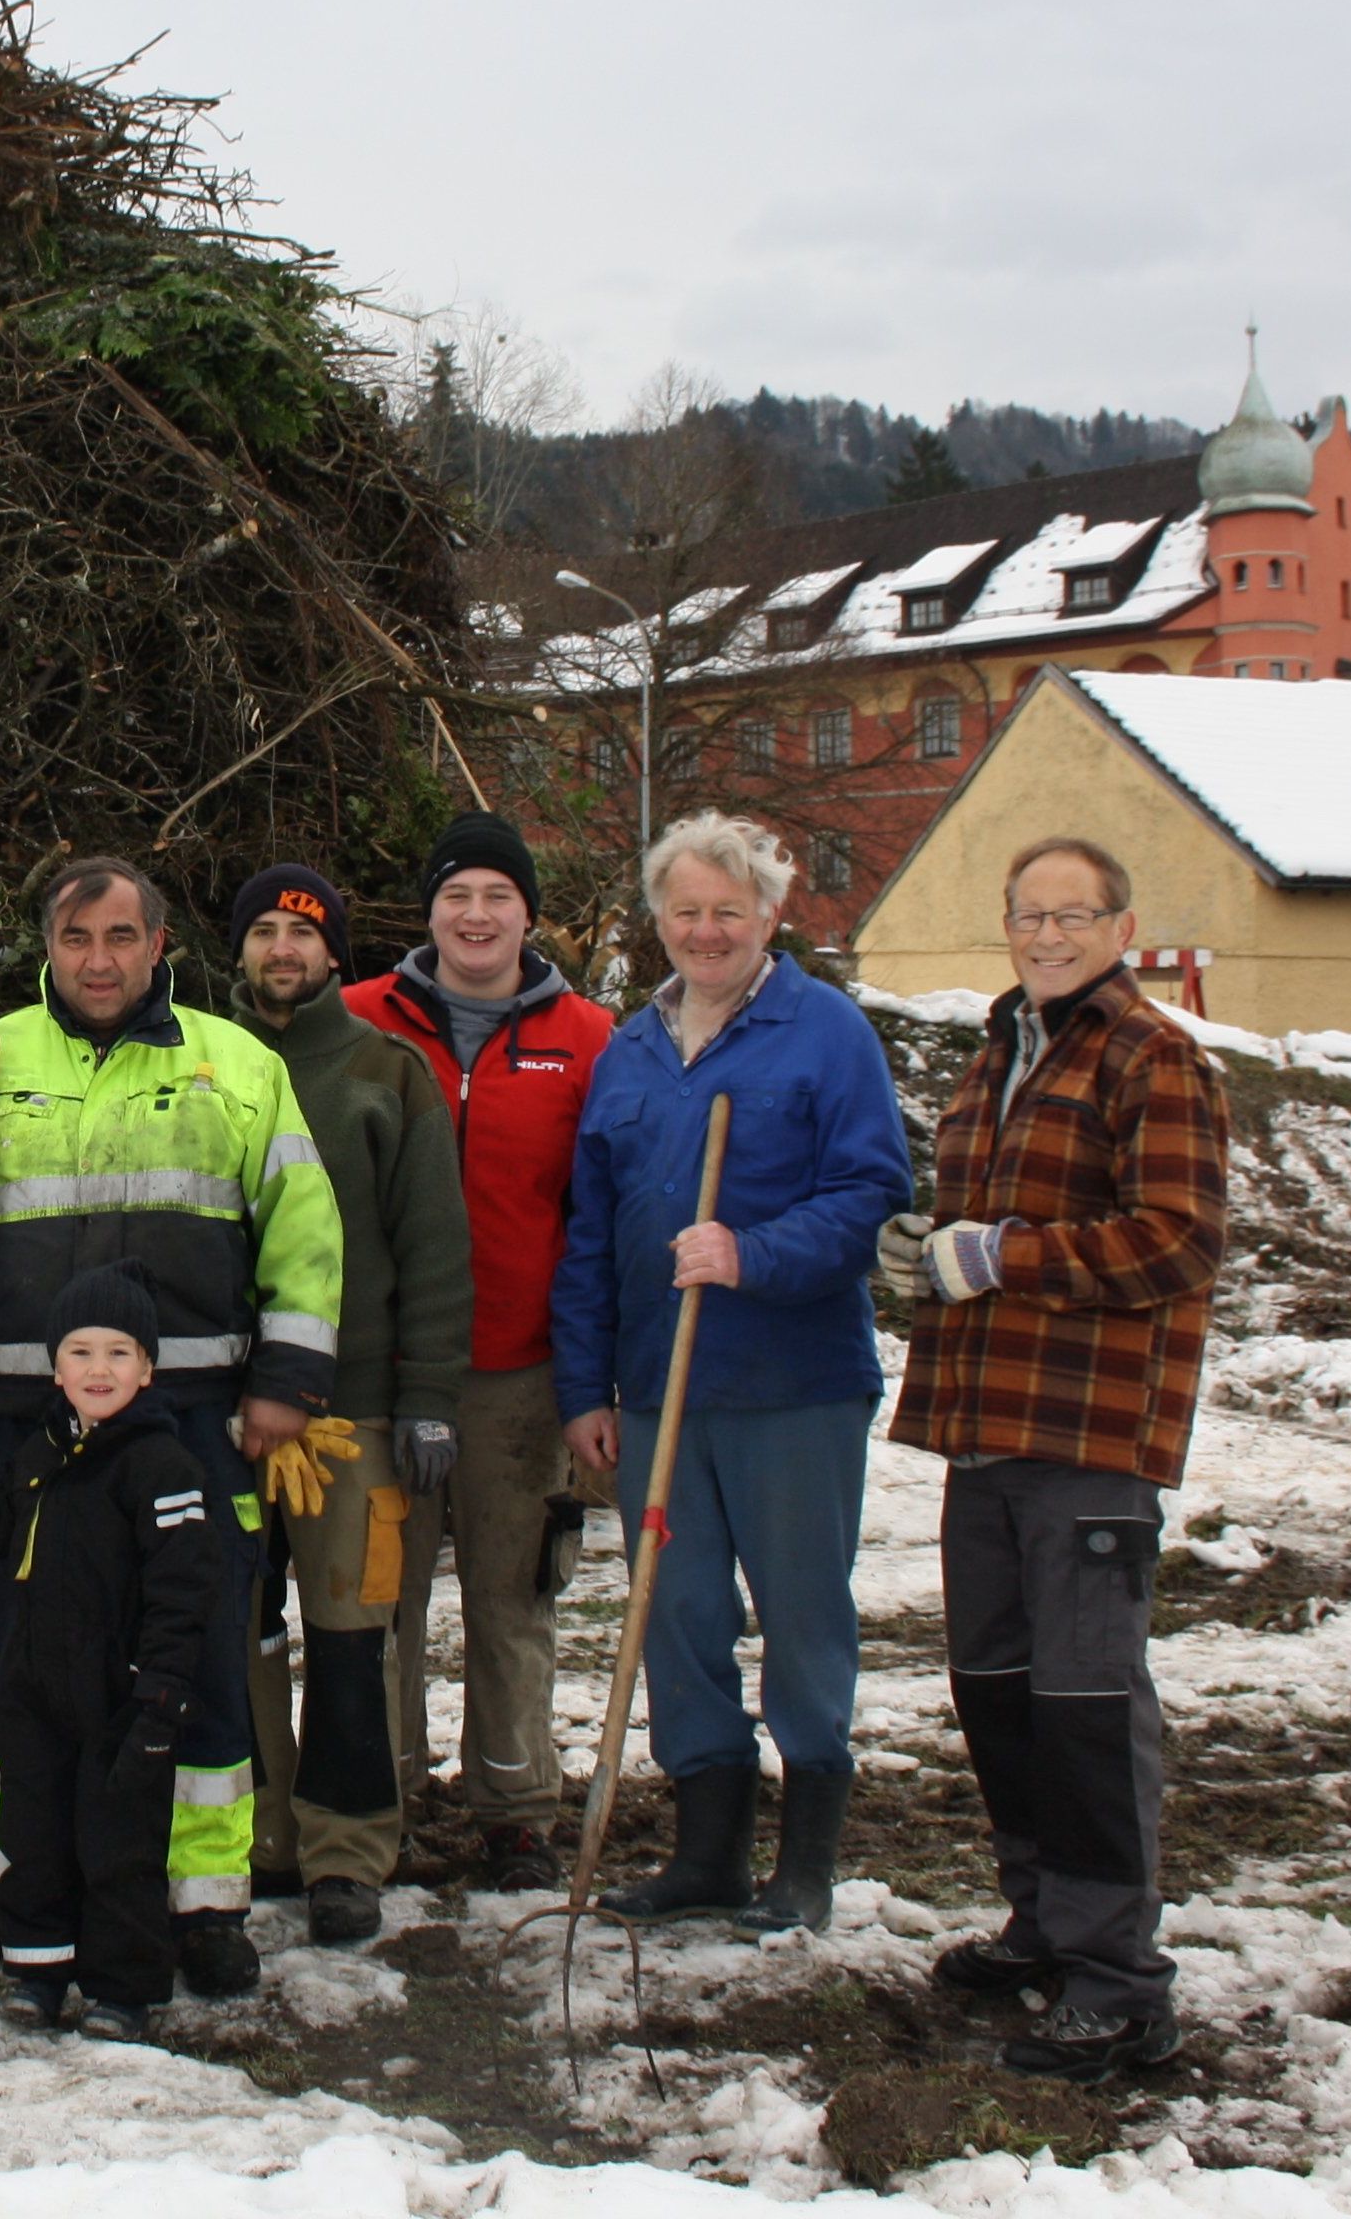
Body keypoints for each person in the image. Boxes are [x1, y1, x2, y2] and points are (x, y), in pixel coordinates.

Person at [0, 856, 344, 1999]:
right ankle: (16, 1885)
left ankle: (199, 1904)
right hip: (23, 1439)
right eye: (75, 936)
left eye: (119, 936)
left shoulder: (231, 1066)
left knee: (190, 1663)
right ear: (46, 945)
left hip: (188, 1426)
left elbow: (300, 1224)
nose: (97, 959)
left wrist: (286, 1376)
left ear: (159, 948)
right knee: (18, 1673)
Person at [883, 838, 1227, 2082]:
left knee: (1083, 1707)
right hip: (983, 1424)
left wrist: (1003, 1257)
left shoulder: (1154, 1055)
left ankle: (1118, 1983)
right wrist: (927, 1249)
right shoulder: (997, 1055)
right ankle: (1041, 1924)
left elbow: (1176, 1240)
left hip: (1086, 1433)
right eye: (1027, 914)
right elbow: (984, 1223)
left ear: (1118, 925)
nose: (1045, 934)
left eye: (1070, 916)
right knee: (999, 1692)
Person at [549, 810, 910, 1931]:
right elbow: (590, 1235)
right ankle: (704, 1852)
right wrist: (584, 1390)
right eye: (683, 912)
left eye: (726, 910)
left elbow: (868, 1196)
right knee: (678, 1614)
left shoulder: (825, 1033)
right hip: (660, 1391)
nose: (704, 932)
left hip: (790, 1387)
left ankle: (801, 1868)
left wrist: (751, 1255)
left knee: (801, 1615)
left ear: (769, 913)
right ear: (654, 919)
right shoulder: (631, 1048)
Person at [346, 811, 613, 1894]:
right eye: (456, 895)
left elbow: (597, 1212)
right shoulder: (359, 1019)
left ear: (527, 916)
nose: (474, 916)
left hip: (516, 1370)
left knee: (513, 1599)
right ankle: (384, 1797)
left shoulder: (588, 1038)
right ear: (427, 912)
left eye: (496, 897)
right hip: (381, 1368)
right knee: (380, 1601)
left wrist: (593, 1364)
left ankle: (513, 1805)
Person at [223, 864, 475, 1946]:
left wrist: (424, 1397)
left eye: (303, 934)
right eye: (264, 930)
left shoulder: (387, 1073)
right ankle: (257, 1835)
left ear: (333, 955)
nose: (283, 949)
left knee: (346, 1632)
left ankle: (345, 1850)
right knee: (234, 1637)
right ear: (236, 948)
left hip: (355, 1412)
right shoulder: (196, 1062)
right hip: (218, 1412)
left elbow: (431, 1245)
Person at [0, 1262, 221, 2043]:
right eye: (81, 1352)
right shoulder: (40, 1456)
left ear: (148, 1368)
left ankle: (121, 1987)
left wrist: (164, 1689)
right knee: (35, 1831)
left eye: (119, 1353)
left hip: (123, 1690)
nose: (99, 1370)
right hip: (37, 1681)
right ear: (55, 1366)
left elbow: (185, 1587)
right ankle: (38, 1972)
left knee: (118, 1842)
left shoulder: (163, 1465)